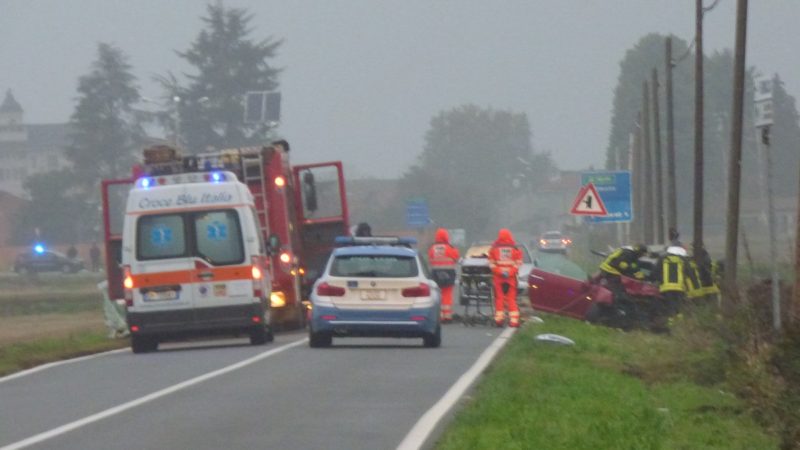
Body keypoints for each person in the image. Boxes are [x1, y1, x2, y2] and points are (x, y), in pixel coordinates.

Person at [488, 229, 523, 328]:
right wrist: (509, 272)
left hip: (498, 279)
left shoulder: (494, 249)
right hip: (511, 279)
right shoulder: (515, 249)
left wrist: (500, 272)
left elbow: (491, 264)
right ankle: (514, 321)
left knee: (499, 299)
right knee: (511, 299)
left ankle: (499, 319)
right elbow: (518, 264)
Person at [428, 228, 460, 323]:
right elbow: (456, 257)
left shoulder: (432, 248)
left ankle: (439, 315)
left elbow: (430, 259)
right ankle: (447, 316)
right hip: (448, 274)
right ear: (446, 236)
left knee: (437, 294)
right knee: (447, 294)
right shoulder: (450, 248)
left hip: (435, 274)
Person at [654, 246, 691, 319]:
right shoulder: (683, 259)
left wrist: (660, 281)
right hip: (679, 287)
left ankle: (671, 319)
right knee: (679, 305)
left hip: (666, 287)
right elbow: (689, 272)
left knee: (669, 305)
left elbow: (656, 272)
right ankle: (679, 321)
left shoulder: (662, 258)